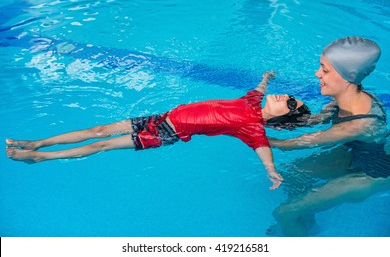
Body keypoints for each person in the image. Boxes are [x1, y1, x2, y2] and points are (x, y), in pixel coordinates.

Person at [6, 71, 311, 190]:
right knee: (99, 130)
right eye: (290, 95)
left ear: (284, 116)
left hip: (164, 133)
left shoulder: (253, 128)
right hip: (161, 116)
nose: (286, 96)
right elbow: (260, 88)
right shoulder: (253, 100)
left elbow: (263, 150)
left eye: (290, 101)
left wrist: (272, 172)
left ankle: (42, 158)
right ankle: (36, 142)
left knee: (103, 146)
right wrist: (266, 78)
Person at [268, 36, 390, 236]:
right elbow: (315, 120)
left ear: (348, 77)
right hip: (354, 156)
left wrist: (252, 137)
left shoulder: (358, 124)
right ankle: (306, 224)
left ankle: (295, 221)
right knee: (293, 172)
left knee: (283, 213)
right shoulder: (344, 99)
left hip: (371, 174)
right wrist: (273, 120)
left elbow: (300, 143)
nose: (317, 74)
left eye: (325, 70)